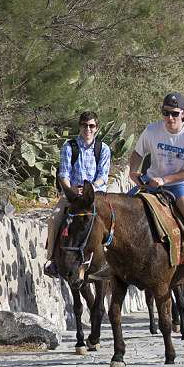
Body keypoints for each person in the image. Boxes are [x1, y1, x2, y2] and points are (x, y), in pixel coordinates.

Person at [129, 92, 184, 282]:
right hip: (151, 182)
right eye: (165, 113)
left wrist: (165, 180)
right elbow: (137, 152)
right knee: (125, 206)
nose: (170, 118)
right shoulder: (152, 130)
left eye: (174, 113)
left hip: (182, 184)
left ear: (183, 113)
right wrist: (132, 171)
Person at [44, 111, 112, 277]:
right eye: (84, 125)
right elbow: (64, 173)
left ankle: (114, 260)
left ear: (97, 128)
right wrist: (72, 189)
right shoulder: (69, 146)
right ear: (80, 126)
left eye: (91, 126)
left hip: (95, 195)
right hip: (73, 195)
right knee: (54, 218)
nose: (87, 129)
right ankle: (52, 259)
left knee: (114, 221)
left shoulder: (103, 149)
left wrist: (91, 188)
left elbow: (103, 176)